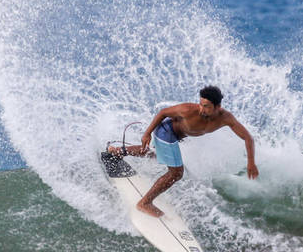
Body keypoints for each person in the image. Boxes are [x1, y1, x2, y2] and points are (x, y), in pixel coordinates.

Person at [109, 85, 258, 217]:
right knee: (176, 173)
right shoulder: (188, 110)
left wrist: (251, 162)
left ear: (217, 107)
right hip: (166, 132)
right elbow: (163, 113)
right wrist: (147, 133)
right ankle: (145, 203)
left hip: (174, 136)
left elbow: (248, 138)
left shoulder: (226, 118)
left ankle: (117, 151)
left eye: (206, 106)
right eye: (200, 104)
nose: (201, 109)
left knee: (156, 155)